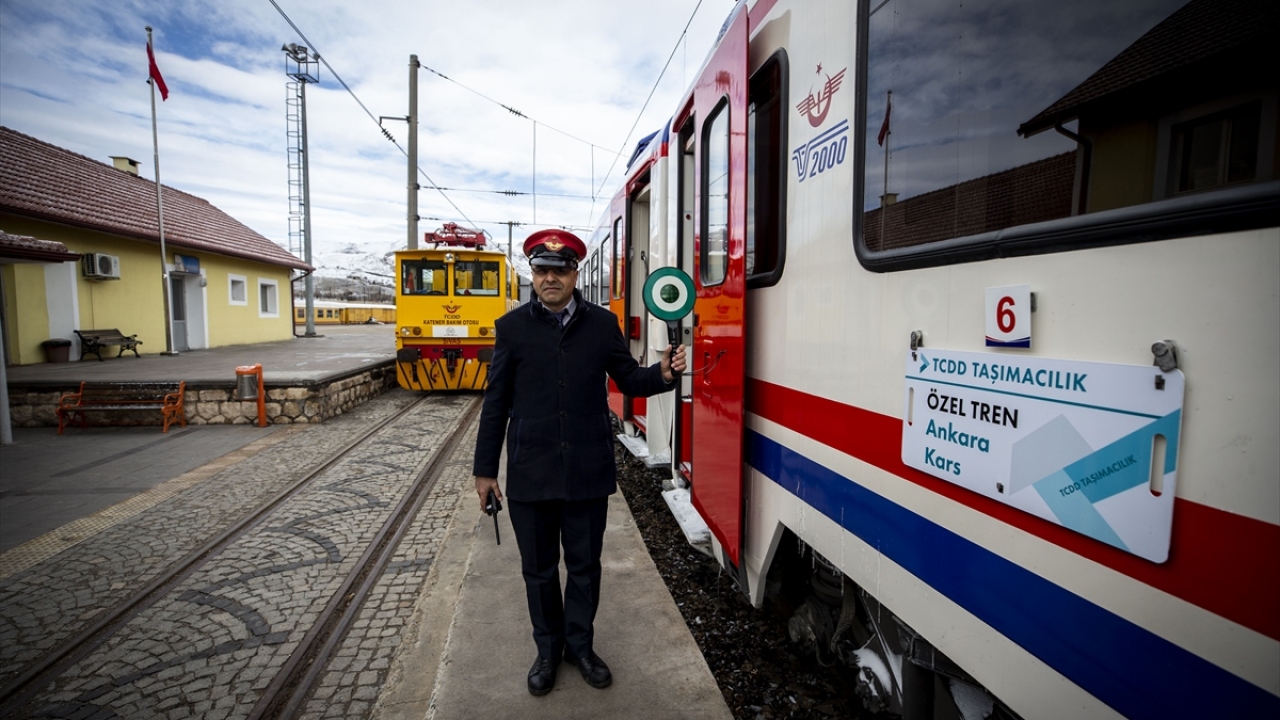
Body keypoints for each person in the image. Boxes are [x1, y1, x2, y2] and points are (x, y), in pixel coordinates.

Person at [473, 228, 687, 697]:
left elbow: (628, 378)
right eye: (542, 269)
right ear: (533, 274)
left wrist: (664, 373)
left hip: (588, 469)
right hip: (530, 470)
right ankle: (547, 651)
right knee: (540, 570)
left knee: (586, 566)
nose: (551, 277)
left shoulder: (601, 324)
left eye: (561, 269)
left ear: (575, 274)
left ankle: (580, 647)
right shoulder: (511, 328)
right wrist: (485, 471)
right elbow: (496, 402)